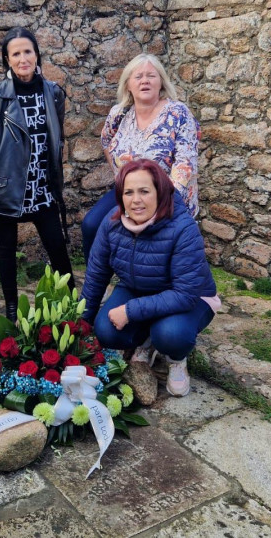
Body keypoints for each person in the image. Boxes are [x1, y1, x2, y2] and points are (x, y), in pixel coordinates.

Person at [79, 159, 219, 397]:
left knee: (171, 334)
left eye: (144, 191)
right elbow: (96, 275)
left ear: (160, 192)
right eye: (128, 192)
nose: (136, 200)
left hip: (189, 298)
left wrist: (131, 311)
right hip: (138, 288)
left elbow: (185, 294)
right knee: (105, 330)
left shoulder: (183, 228)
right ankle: (145, 340)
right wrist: (81, 325)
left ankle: (176, 358)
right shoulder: (112, 222)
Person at [0, 27, 74, 321]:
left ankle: (70, 306)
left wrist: (55, 180)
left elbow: (56, 140)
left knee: (57, 247)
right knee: (5, 249)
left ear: (36, 54)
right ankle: (13, 307)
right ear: (7, 59)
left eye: (28, 51)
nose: (23, 58)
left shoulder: (53, 93)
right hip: (7, 186)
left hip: (42, 186)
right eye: (16, 53)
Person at [81, 53, 201, 262]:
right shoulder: (119, 113)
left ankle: (148, 283)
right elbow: (107, 141)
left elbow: (185, 161)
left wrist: (165, 201)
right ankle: (99, 277)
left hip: (167, 195)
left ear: (161, 82)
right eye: (138, 76)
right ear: (128, 84)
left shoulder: (178, 113)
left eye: (151, 76)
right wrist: (120, 177)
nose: (144, 81)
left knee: (148, 241)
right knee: (91, 224)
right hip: (130, 191)